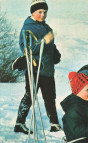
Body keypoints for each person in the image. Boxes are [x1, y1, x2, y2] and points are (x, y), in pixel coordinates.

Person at [14, 0, 62, 134]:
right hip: (34, 69)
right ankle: (19, 123)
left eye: (45, 12)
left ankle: (54, 124)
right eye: (39, 12)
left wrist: (55, 54)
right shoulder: (27, 29)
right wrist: (45, 41)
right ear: (32, 12)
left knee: (50, 97)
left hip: (47, 69)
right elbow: (28, 49)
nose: (43, 15)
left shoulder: (46, 28)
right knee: (30, 96)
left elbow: (50, 46)